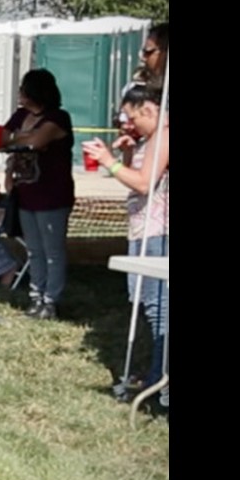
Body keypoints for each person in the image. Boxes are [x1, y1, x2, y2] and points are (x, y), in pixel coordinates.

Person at [83, 81, 168, 399]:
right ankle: (155, 373)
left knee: (158, 306)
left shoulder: (164, 135)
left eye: (132, 117)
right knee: (144, 302)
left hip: (158, 232)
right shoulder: (151, 138)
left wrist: (109, 161)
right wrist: (129, 153)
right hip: (143, 227)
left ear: (149, 110)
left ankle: (160, 384)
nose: (128, 124)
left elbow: (145, 184)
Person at [0, 69, 76, 319]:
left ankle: (51, 300)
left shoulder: (58, 117)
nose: (20, 93)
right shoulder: (20, 115)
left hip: (52, 194)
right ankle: (35, 296)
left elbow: (38, 142)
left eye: (24, 88)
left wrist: (18, 137)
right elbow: (1, 137)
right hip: (26, 192)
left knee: (52, 249)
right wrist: (19, 137)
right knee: (33, 249)